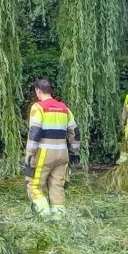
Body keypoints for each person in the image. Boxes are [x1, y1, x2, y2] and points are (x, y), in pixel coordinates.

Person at [24, 78, 80, 219]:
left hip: (44, 154)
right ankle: (58, 218)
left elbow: (35, 132)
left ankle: (44, 216)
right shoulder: (64, 108)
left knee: (34, 185)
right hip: (62, 154)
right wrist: (74, 152)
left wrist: (29, 154)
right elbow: (75, 132)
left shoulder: (38, 107)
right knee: (57, 186)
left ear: (38, 90)